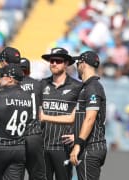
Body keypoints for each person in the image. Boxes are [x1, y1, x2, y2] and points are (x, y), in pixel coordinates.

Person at [40, 47, 82, 180]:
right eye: (51, 60)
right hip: (41, 146)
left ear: (66, 63)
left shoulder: (77, 87)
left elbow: (85, 116)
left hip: (63, 148)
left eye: (58, 61)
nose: (53, 63)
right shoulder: (41, 84)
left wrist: (77, 135)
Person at [70, 51, 107, 180]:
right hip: (89, 146)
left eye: (77, 63)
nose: (76, 67)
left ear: (83, 64)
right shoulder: (87, 87)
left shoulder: (93, 87)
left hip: (90, 147)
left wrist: (78, 144)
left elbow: (90, 118)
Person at [20, 57, 46, 180]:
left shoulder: (11, 85)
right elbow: (41, 112)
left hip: (16, 135)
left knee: (15, 173)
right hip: (34, 133)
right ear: (29, 71)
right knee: (37, 174)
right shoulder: (38, 85)